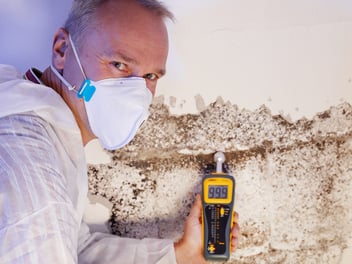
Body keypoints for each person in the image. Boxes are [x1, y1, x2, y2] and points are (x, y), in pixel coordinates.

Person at [0, 0, 240, 263]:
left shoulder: (44, 124)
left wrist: (180, 254)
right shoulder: (31, 163)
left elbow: (75, 247)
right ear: (62, 50)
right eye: (119, 65)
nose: (135, 93)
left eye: (150, 76)